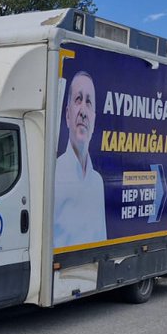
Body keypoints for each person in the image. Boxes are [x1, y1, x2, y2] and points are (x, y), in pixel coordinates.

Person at [53, 69, 107, 248]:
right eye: (78, 99)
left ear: (94, 119)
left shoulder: (98, 183)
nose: (83, 110)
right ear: (68, 115)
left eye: (89, 102)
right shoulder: (53, 176)